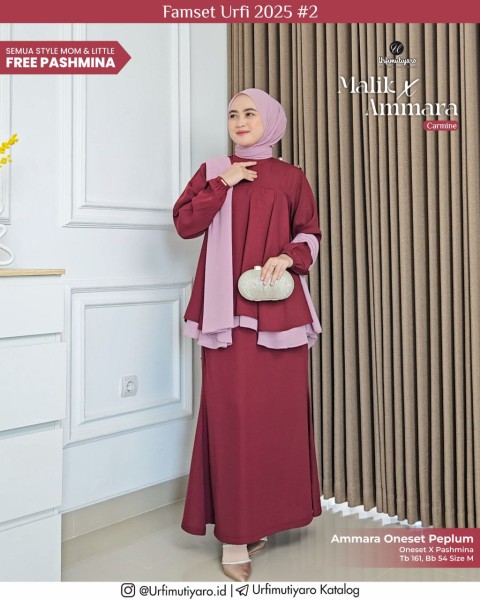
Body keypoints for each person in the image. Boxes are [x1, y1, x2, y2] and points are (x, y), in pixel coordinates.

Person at [172, 88, 322, 581]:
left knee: (276, 418)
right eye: (233, 113)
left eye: (250, 113)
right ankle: (235, 535)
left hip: (279, 314)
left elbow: (310, 233)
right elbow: (184, 223)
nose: (240, 120)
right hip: (225, 315)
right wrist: (224, 183)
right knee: (232, 418)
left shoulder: (292, 177)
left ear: (271, 121)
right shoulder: (215, 169)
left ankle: (264, 519)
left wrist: (287, 256)